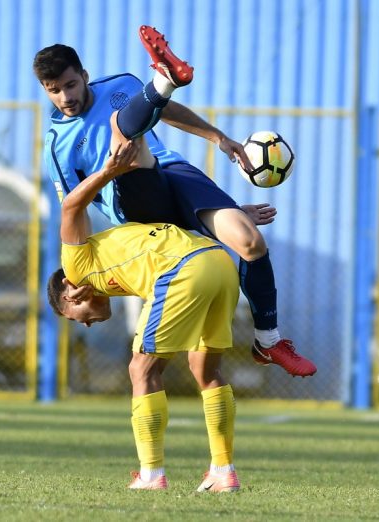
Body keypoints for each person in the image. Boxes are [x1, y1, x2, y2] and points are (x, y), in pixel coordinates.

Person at [34, 26, 316, 377]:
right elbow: (73, 207)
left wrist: (218, 137)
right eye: (54, 91)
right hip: (133, 204)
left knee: (249, 241)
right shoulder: (57, 145)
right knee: (125, 137)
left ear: (85, 77)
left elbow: (163, 112)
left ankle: (268, 341)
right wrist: (81, 267)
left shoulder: (120, 84)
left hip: (172, 172)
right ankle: (163, 81)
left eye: (70, 85)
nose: (64, 97)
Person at [46, 127, 241, 492]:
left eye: (77, 320)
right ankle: (222, 472)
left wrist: (108, 172)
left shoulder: (75, 267)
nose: (85, 325)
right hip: (219, 262)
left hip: (185, 269)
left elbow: (71, 205)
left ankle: (151, 475)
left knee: (141, 368)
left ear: (70, 295)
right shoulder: (113, 267)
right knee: (206, 369)